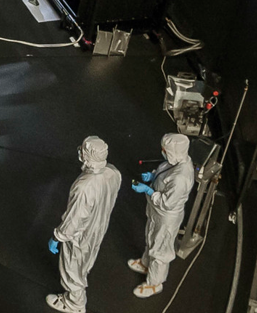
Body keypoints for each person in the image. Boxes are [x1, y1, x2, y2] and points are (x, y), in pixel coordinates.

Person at [46, 135, 123, 313]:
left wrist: (57, 237)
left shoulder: (84, 186)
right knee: (85, 260)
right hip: (99, 226)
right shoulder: (113, 172)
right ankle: (80, 282)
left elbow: (74, 218)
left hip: (80, 234)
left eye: (83, 150)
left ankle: (75, 303)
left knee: (72, 267)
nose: (80, 152)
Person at [128, 133, 196, 298]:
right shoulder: (177, 160)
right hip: (157, 213)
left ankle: (154, 283)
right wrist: (152, 177)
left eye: (165, 150)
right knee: (151, 237)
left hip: (166, 217)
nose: (162, 152)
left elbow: (167, 202)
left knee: (160, 249)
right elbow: (165, 174)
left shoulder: (181, 177)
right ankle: (146, 263)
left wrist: (149, 190)